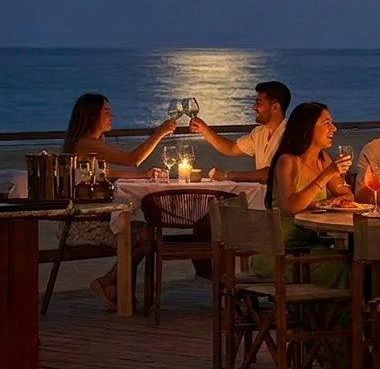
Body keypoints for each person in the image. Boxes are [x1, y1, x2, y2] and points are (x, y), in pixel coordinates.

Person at [62, 94, 178, 312]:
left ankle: (115, 288)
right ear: (91, 116)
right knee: (143, 236)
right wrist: (159, 133)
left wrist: (145, 176)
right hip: (85, 224)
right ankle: (109, 283)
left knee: (144, 232)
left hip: (94, 217)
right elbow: (133, 160)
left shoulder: (91, 144)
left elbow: (107, 173)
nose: (112, 116)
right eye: (106, 112)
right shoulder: (86, 143)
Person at [256, 102, 352, 289]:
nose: (334, 128)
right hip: (281, 253)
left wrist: (324, 202)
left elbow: (347, 195)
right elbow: (291, 207)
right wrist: (326, 176)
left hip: (311, 248)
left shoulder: (322, 159)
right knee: (342, 268)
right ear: (307, 128)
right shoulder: (287, 161)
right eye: (326, 123)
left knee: (356, 262)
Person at [190, 81, 291, 184]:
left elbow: (271, 173)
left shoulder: (290, 134)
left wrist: (227, 176)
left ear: (275, 107)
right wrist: (204, 130)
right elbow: (231, 148)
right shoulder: (259, 133)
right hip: (262, 193)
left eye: (259, 103)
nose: (253, 107)